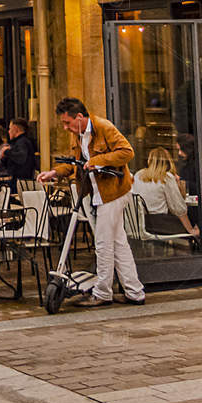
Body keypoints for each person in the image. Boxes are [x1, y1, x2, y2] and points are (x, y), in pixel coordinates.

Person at [39, 96, 142, 306]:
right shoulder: (79, 136)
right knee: (118, 243)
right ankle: (135, 292)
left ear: (79, 117)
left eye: (67, 123)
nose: (66, 128)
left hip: (113, 192)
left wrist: (97, 161)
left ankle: (103, 293)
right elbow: (77, 165)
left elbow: (127, 152)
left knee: (103, 244)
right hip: (97, 194)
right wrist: (54, 172)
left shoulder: (103, 127)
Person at [135, 147, 197, 239]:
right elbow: (179, 209)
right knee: (194, 223)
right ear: (168, 162)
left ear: (149, 160)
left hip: (140, 224)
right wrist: (191, 230)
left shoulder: (138, 175)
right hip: (160, 226)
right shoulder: (166, 177)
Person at [0, 118, 38, 183]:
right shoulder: (18, 142)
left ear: (15, 129)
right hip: (16, 180)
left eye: (10, 128)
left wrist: (6, 151)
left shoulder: (23, 142)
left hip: (20, 182)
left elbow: (21, 158)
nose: (8, 131)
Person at [174, 133, 202, 197]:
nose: (179, 153)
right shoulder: (186, 164)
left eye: (181, 149)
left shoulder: (199, 165)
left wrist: (180, 180)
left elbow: (201, 187)